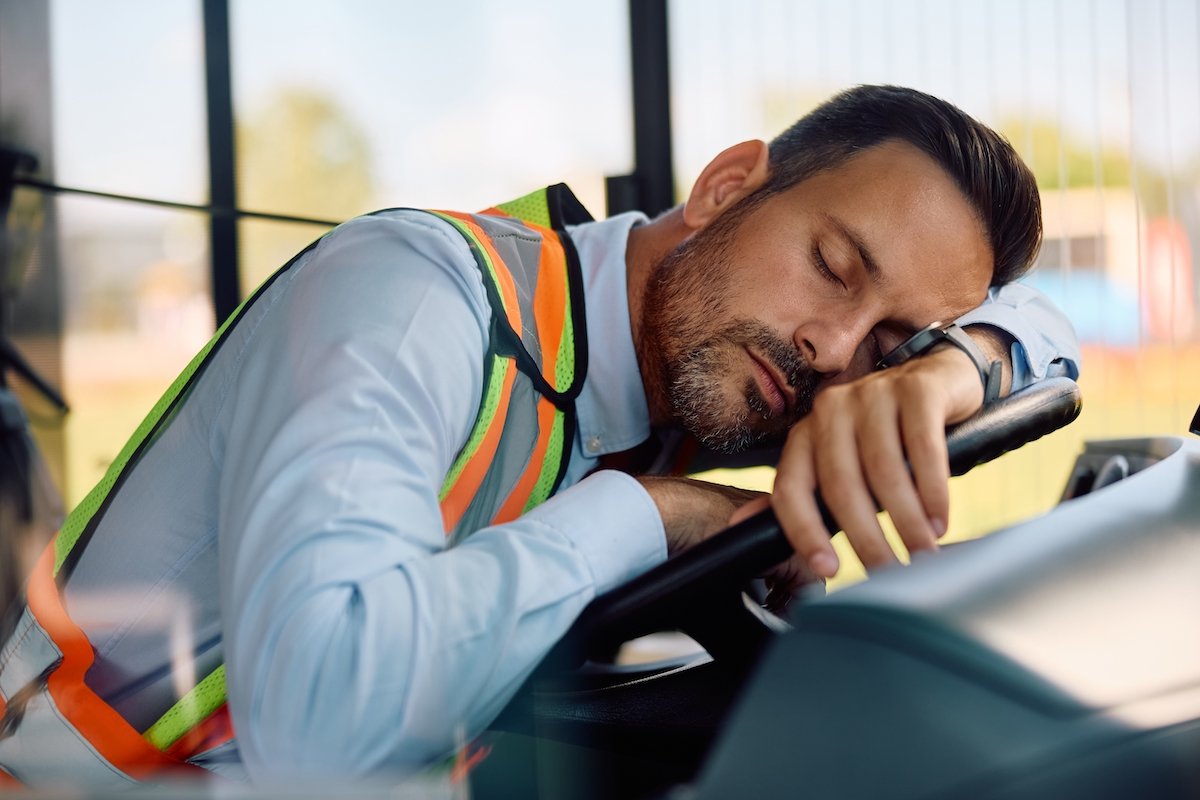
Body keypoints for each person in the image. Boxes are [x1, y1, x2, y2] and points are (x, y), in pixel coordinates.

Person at [0, 85, 1078, 786]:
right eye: (834, 265)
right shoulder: (411, 295)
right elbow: (320, 731)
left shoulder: (713, 370)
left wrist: (957, 364)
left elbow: (1052, 329)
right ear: (725, 186)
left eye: (886, 334)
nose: (835, 347)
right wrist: (647, 515)